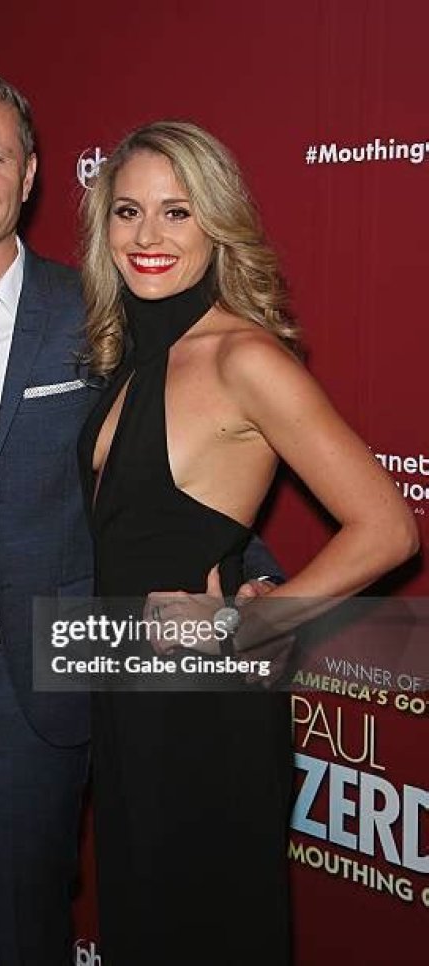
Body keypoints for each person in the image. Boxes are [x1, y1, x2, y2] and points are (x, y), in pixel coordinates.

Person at [0, 65, 282, 965]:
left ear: (29, 174)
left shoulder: (92, 314)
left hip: (30, 683)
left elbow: (161, 460)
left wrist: (247, 569)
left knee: (29, 934)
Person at [78, 120, 418, 965]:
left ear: (216, 223)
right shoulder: (130, 351)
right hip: (127, 693)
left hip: (201, 707)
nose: (149, 236)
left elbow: (388, 526)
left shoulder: (243, 357)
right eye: (128, 211)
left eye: (177, 212)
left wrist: (254, 622)